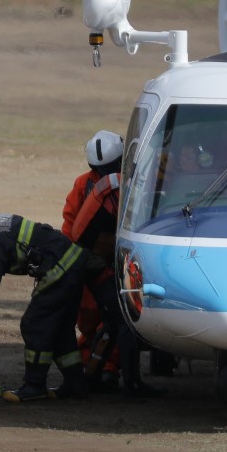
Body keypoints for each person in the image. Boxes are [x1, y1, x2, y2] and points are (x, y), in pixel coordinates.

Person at [0, 213, 108, 402]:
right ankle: (76, 384)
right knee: (60, 331)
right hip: (71, 261)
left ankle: (34, 385)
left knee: (35, 326)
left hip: (60, 266)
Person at [71, 168, 167, 398]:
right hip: (98, 268)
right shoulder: (116, 190)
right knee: (125, 322)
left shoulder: (103, 187)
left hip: (93, 266)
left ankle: (92, 377)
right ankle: (131, 384)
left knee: (113, 323)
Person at [60, 131, 125, 386]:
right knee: (96, 319)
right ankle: (97, 367)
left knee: (107, 320)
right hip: (96, 264)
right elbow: (70, 225)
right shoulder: (89, 186)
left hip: (103, 263)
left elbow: (69, 225)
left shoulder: (89, 184)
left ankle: (103, 367)